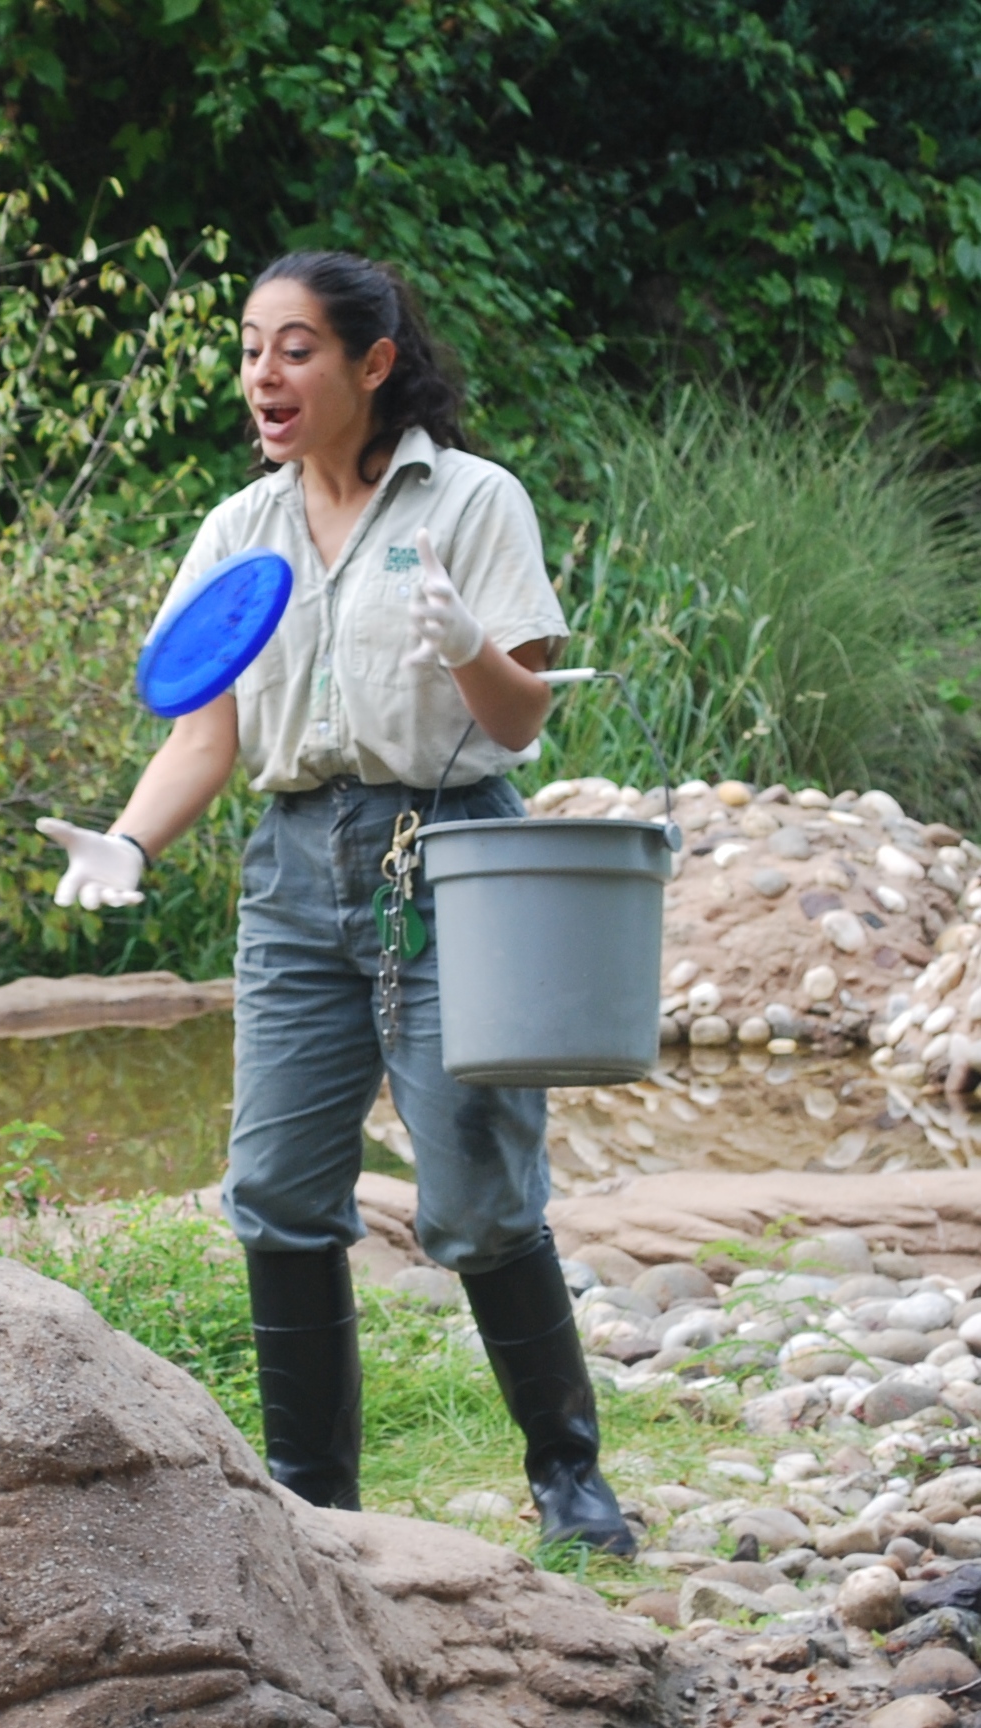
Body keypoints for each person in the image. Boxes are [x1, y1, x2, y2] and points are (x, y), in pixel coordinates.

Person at [37, 250, 633, 1553]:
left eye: (295, 347)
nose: (264, 373)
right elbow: (203, 736)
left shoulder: (474, 502)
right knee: (275, 1186)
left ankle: (571, 1478)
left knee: (475, 1188)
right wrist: (130, 845)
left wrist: (471, 650)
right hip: (295, 867)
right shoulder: (236, 534)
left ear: (372, 363)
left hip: (452, 854)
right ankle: (313, 1499)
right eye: (252, 347)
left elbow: (523, 718)